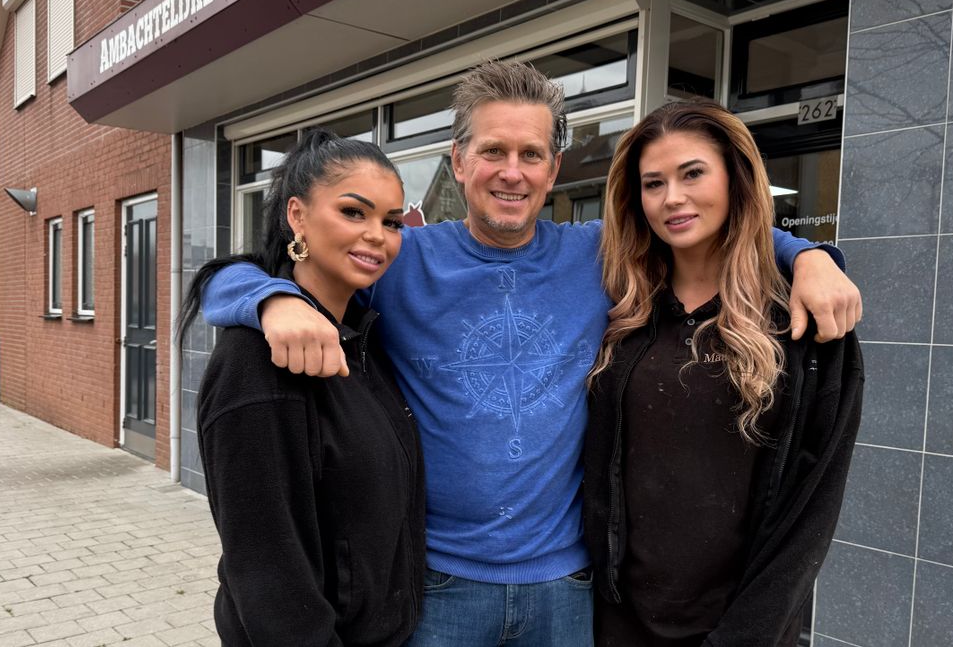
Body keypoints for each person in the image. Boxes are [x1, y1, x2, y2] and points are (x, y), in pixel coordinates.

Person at [199, 61, 862, 646]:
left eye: (531, 153)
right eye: (492, 150)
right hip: (436, 585)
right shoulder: (400, 255)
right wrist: (266, 299)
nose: (511, 172)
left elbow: (701, 221)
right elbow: (236, 276)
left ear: (555, 167)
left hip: (566, 589)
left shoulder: (600, 254)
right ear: (457, 162)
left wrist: (806, 255)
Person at [583, 101, 863, 646]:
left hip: (741, 628)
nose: (673, 198)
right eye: (653, 183)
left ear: (735, 179)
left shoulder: (801, 325)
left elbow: (811, 512)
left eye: (693, 173)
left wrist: (810, 256)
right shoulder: (621, 315)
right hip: (618, 623)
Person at [181, 131, 425, 646]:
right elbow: (269, 573)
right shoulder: (257, 363)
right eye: (354, 212)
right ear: (297, 216)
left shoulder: (362, 337)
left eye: (391, 221)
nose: (377, 235)